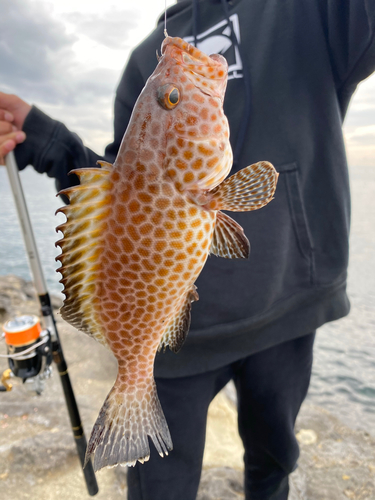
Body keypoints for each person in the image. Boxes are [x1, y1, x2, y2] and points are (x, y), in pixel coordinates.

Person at [1, 1, 375, 499]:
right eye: (172, 96)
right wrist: (42, 135)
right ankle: (135, 393)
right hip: (175, 338)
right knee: (160, 489)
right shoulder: (143, 61)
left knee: (273, 464)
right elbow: (121, 187)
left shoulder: (308, 11)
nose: (174, 77)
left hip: (288, 312)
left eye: (170, 95)